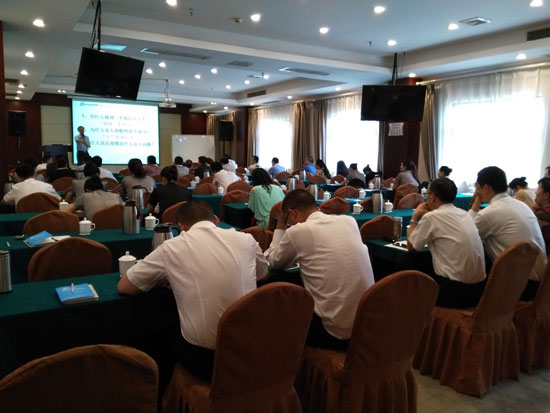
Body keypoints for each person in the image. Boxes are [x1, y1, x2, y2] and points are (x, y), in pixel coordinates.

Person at [117, 200, 268, 380]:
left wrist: (167, 278)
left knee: (160, 331)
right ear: (215, 220)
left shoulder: (172, 247)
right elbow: (263, 275)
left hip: (209, 359)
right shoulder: (246, 239)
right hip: (252, 349)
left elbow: (125, 286)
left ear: (181, 227)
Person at [265, 189, 374, 349]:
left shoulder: (298, 231)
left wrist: (281, 223)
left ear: (292, 214)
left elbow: (275, 262)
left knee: (281, 315)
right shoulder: (349, 221)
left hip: (336, 332)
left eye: (289, 220)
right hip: (369, 325)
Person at [469, 166, 547, 301]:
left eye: (477, 187)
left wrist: (475, 207)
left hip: (521, 286)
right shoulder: (520, 205)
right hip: (541, 283)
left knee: (471, 264)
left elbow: (468, 236)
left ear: (486, 188)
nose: (476, 192)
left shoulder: (489, 213)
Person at [406, 178, 486, 308]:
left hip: (454, 293)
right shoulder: (463, 214)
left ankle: (410, 307)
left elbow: (411, 246)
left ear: (432, 197)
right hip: (479, 290)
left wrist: (414, 217)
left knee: (407, 260)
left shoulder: (432, 217)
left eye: (427, 194)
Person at [533, 177, 550, 255]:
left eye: (538, 189)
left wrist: (533, 210)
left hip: (544, 253)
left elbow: (531, 233)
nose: (535, 192)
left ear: (546, 195)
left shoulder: (542, 214)